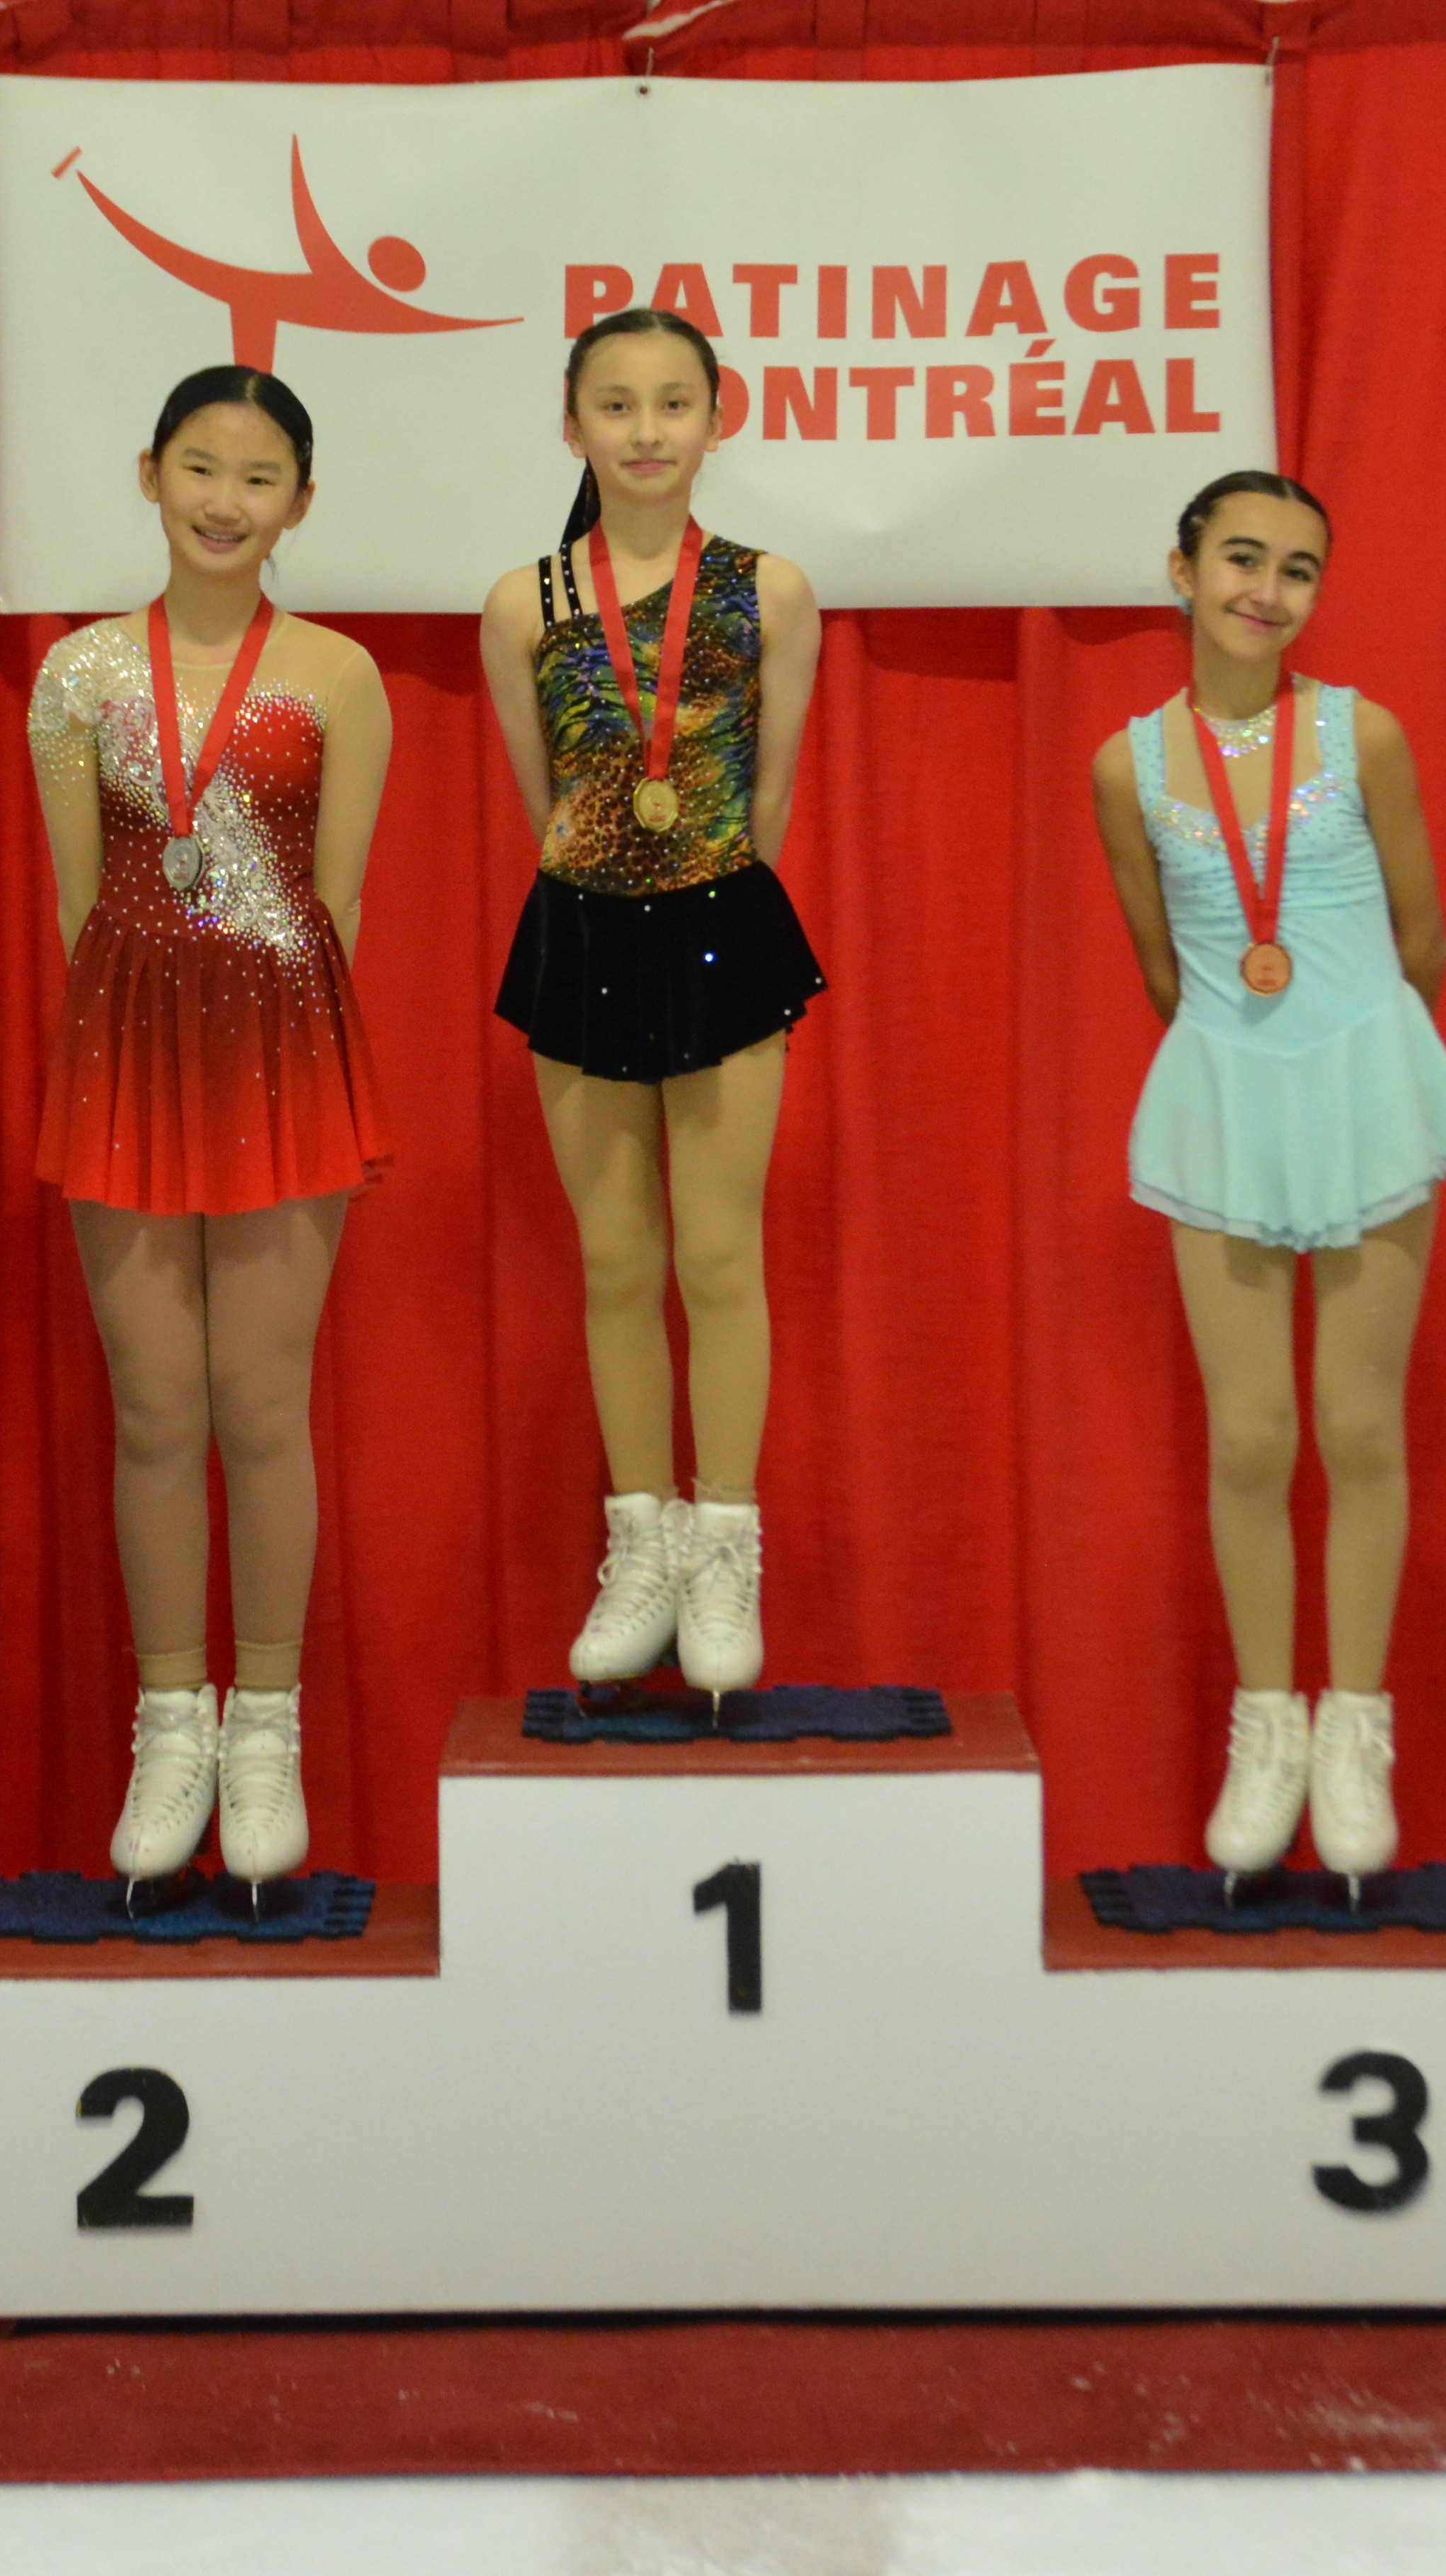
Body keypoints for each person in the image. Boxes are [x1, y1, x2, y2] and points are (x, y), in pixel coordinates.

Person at [1089, 471, 1446, 1892]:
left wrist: (1358, 1059)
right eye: (1242, 558)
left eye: (1298, 569)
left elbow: (1424, 937)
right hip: (1227, 1104)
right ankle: (1268, 1725)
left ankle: (1354, 1727)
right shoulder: (1126, 766)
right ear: (1182, 569)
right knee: (1252, 1435)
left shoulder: (1361, 733)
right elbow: (1159, 962)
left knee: (1358, 1423)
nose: (1267, 590)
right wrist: (1247, 1064)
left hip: (1369, 1088)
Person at [27, 366, 391, 1895]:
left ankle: (266, 1727)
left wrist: (273, 1044)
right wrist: (141, 1026)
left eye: (257, 476)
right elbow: (75, 899)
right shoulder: (76, 673)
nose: (224, 500)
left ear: (299, 502)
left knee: (258, 1401)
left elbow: (340, 901)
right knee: (155, 1405)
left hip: (285, 1056)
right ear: (149, 473)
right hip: (125, 1049)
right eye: (199, 466)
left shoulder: (340, 674)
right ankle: (170, 1718)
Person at [479, 307, 825, 1697]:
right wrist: (609, 873)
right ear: (572, 424)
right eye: (614, 404)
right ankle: (641, 1544)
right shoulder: (523, 605)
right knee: (617, 1261)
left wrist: (702, 886)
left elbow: (773, 791)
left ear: (717, 418)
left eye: (672, 402)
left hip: (723, 922)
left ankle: (725, 1544)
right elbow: (542, 795)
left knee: (719, 1257)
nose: (644, 430)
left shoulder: (769, 590)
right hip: (581, 926)